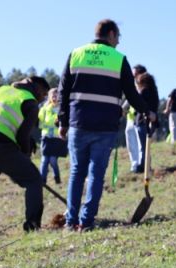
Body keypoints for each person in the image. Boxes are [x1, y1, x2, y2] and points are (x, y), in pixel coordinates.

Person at [58, 19, 156, 231]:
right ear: (111, 34)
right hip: (105, 126)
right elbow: (131, 93)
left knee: (77, 172)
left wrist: (63, 121)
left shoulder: (76, 54)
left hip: (79, 123)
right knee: (96, 174)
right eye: (118, 37)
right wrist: (147, 111)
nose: (118, 42)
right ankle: (86, 221)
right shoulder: (118, 59)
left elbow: (63, 91)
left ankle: (70, 221)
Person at [0, 76, 50, 237]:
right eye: (44, 94)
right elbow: (22, 137)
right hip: (1, 145)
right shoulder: (30, 103)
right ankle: (32, 227)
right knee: (33, 180)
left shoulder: (2, 90)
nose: (43, 98)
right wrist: (25, 155)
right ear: (38, 89)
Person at [134, 72, 159, 173]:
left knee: (143, 146)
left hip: (142, 120)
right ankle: (146, 165)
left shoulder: (143, 91)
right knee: (146, 145)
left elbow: (138, 103)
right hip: (152, 121)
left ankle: (144, 166)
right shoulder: (155, 92)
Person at [124, 64, 147, 172]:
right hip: (130, 118)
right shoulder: (132, 85)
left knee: (140, 144)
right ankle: (134, 165)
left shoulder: (145, 86)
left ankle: (141, 165)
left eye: (135, 74)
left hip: (140, 119)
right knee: (131, 143)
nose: (133, 76)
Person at [38, 89, 63, 184]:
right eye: (53, 95)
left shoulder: (61, 108)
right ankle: (42, 180)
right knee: (44, 159)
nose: (54, 97)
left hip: (57, 138)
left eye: (56, 95)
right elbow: (41, 121)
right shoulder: (44, 108)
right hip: (46, 137)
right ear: (49, 97)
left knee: (53, 160)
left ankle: (57, 177)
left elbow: (59, 122)